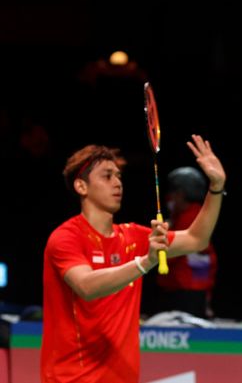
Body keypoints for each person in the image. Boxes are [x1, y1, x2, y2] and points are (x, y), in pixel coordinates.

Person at [41, 134, 226, 383]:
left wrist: (216, 187)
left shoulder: (133, 237)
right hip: (72, 378)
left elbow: (197, 239)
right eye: (107, 176)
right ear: (81, 186)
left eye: (118, 176)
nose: (117, 183)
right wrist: (145, 262)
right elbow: (87, 286)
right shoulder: (65, 238)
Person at [154, 166, 218, 318]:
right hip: (190, 290)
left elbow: (170, 254)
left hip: (187, 294)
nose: (169, 198)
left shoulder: (191, 218)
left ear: (181, 194)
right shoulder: (188, 216)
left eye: (173, 193)